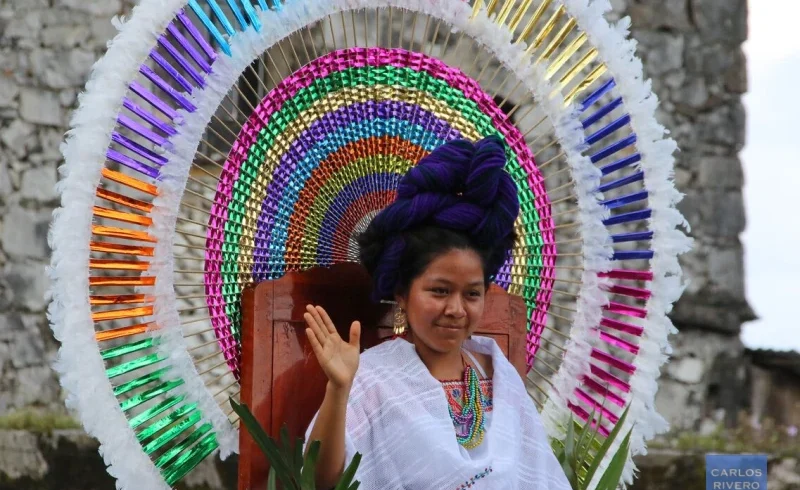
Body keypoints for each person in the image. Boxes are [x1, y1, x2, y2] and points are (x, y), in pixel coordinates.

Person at [303, 136, 572, 489]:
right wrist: (338, 389)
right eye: (440, 291)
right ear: (402, 292)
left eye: (472, 294)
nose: (456, 310)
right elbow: (321, 481)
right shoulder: (371, 380)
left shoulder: (501, 379)